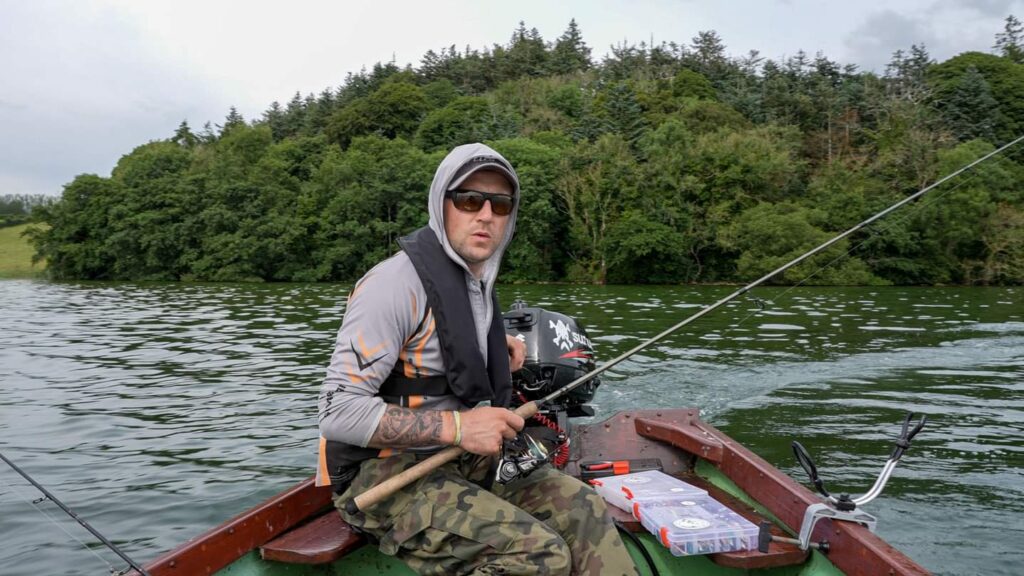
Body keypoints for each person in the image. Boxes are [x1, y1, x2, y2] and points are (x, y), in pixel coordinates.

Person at [316, 143, 637, 575]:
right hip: (384, 477)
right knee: (539, 556)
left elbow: (440, 340)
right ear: (441, 203)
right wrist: (459, 426)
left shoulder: (476, 279)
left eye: (500, 204)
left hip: (456, 461)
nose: (485, 214)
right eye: (469, 200)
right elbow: (337, 411)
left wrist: (490, 346)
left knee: (583, 504)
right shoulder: (390, 286)